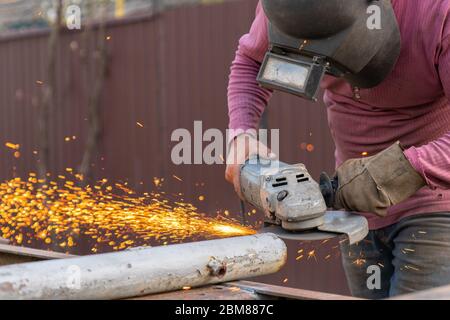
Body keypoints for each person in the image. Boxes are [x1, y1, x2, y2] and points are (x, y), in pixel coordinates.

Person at [225, 0, 450, 298]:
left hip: (434, 204)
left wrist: (398, 172)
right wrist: (241, 133)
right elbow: (251, 61)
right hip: (352, 216)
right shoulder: (287, 8)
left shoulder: (437, 13)